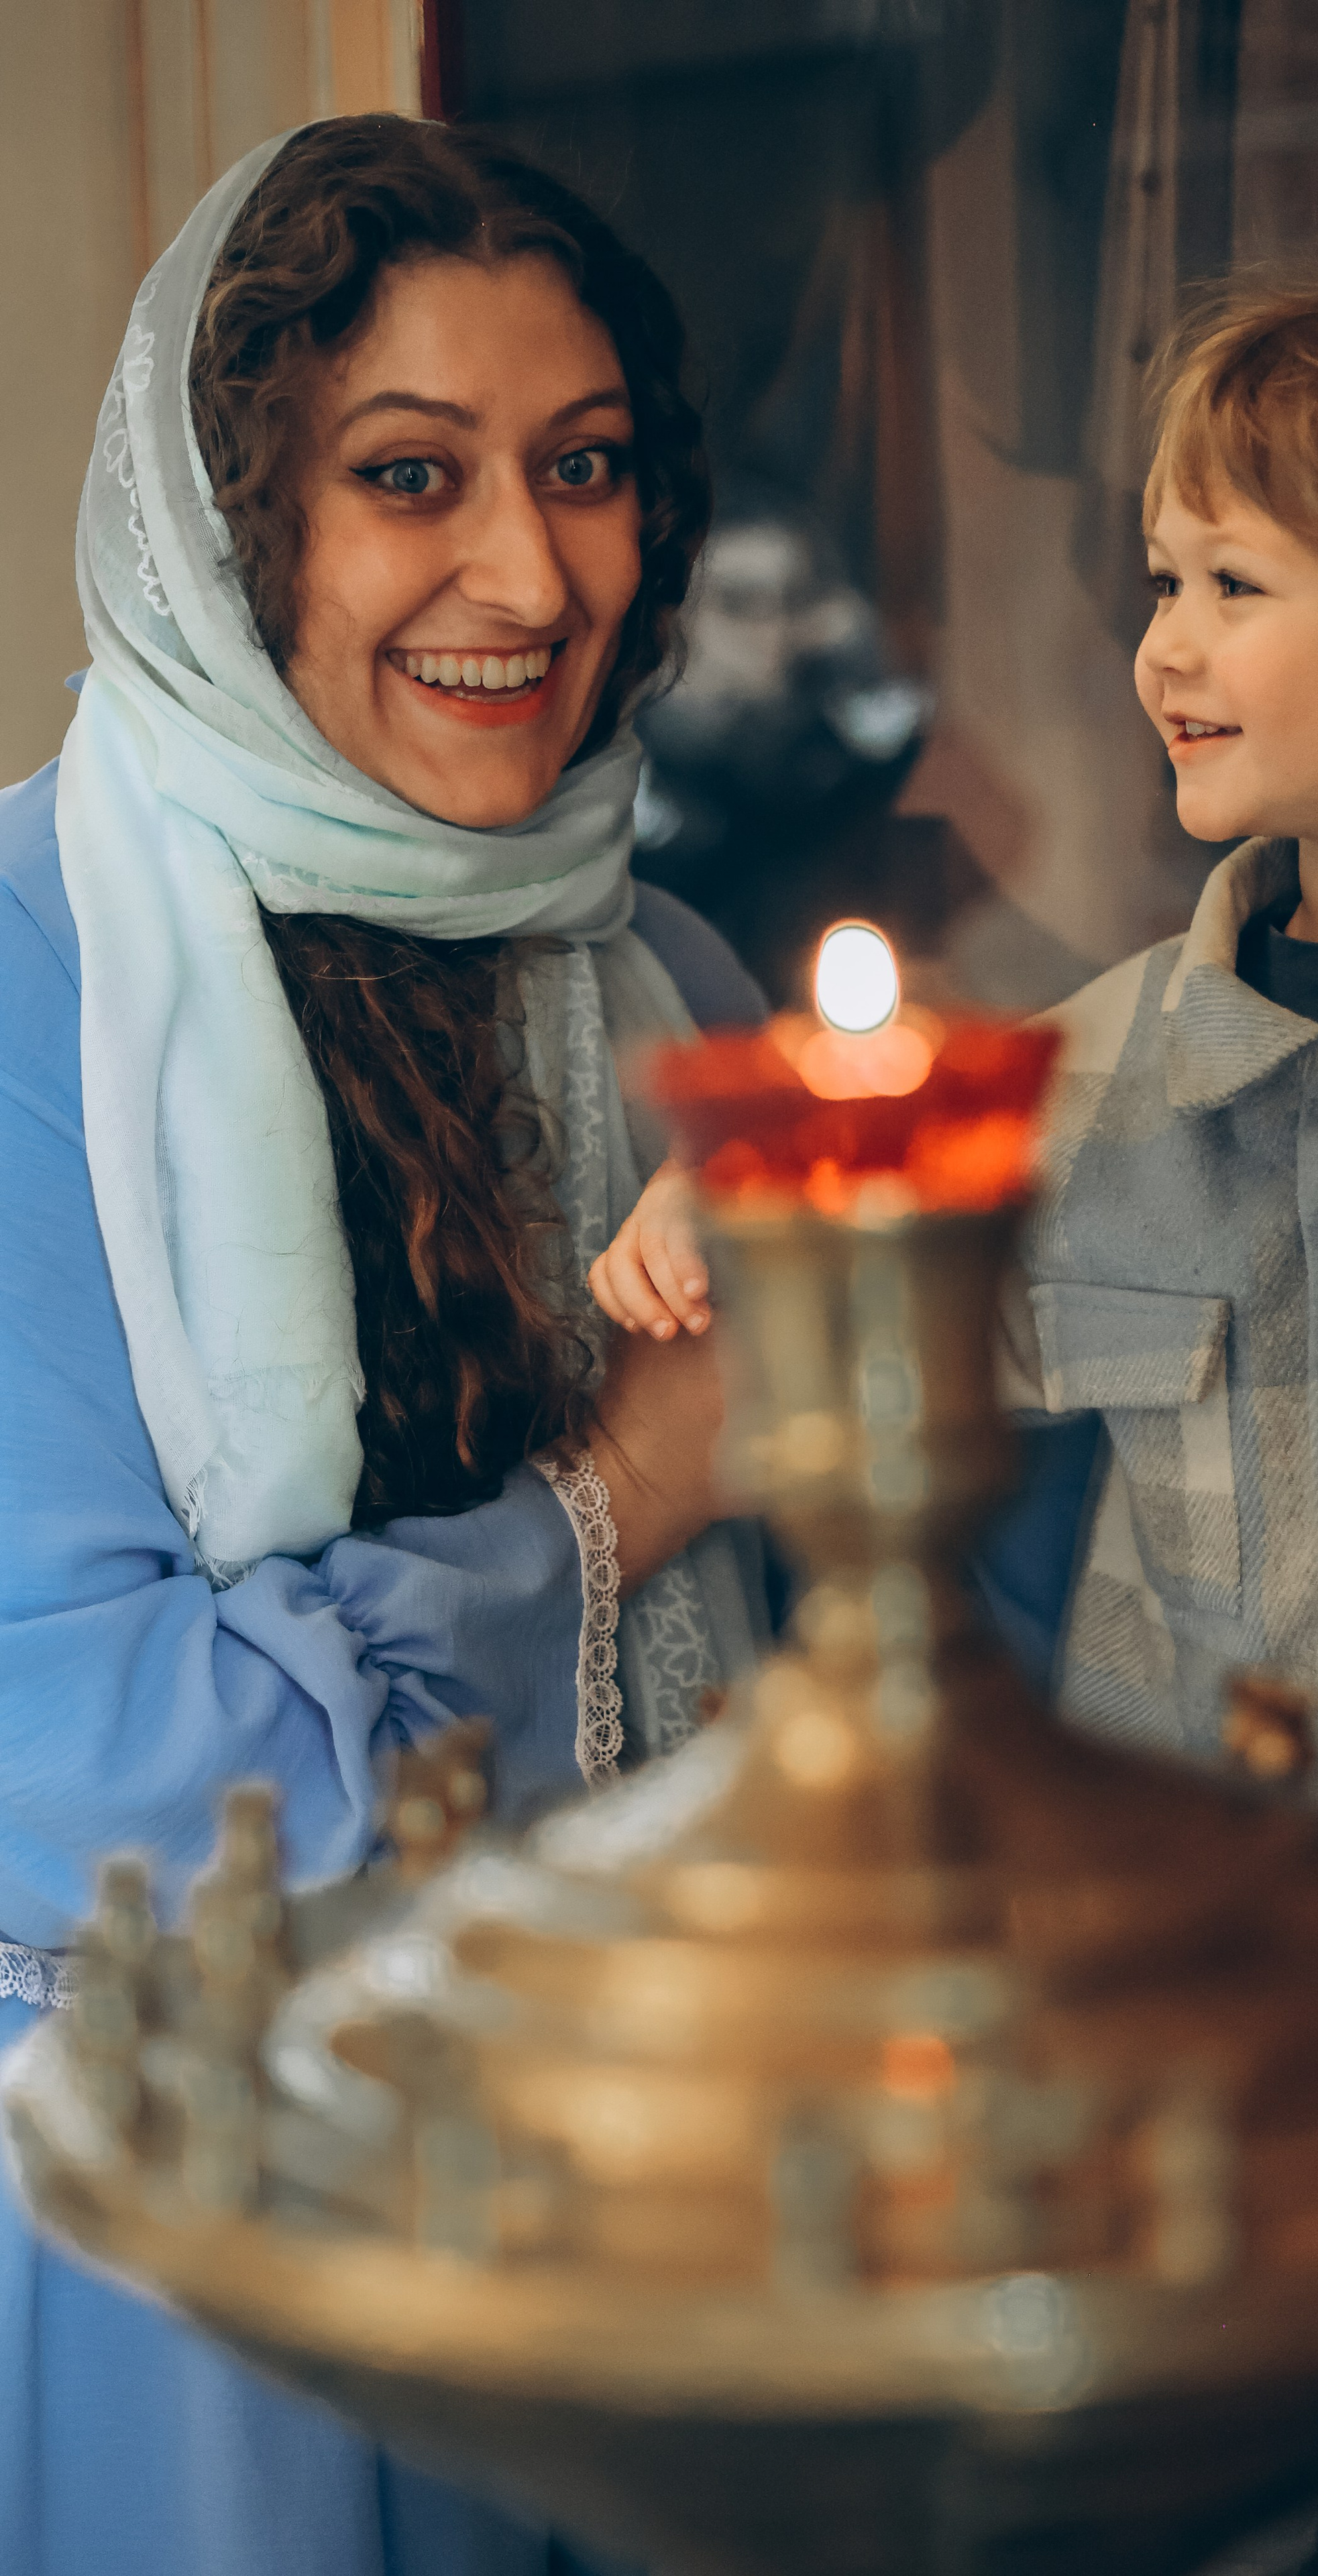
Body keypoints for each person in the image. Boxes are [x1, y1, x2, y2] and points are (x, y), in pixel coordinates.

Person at [596, 275, 1318, 2575]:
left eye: (1229, 586)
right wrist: (749, 1200)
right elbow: (879, 1275)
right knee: (1200, 2439)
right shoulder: (1082, 1074)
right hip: (1179, 1962)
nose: (1156, 645)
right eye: (1155, 582)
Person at [0, 115, 764, 2576]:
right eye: (408, 476)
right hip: (204, 2263)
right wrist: (635, 1492)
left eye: (590, 468)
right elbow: (81, 1763)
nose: (528, 574)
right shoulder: (35, 987)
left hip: (650, 2218)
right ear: (232, 530)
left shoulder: (671, 982)